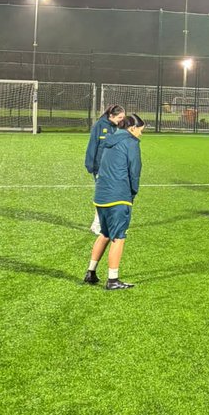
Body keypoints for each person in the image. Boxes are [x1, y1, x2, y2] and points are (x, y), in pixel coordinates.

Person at [83, 114, 146, 291]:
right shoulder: (131, 143)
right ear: (132, 128)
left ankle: (91, 272)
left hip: (101, 195)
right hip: (118, 196)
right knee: (119, 237)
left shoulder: (109, 140)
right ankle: (113, 280)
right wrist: (133, 193)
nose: (141, 134)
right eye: (141, 130)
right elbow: (134, 171)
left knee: (104, 233)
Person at [84, 104, 126, 234]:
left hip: (113, 168)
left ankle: (109, 223)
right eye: (120, 117)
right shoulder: (99, 126)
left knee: (113, 195)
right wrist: (90, 165)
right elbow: (92, 145)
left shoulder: (116, 127)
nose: (122, 120)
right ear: (111, 115)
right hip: (100, 168)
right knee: (102, 196)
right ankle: (96, 224)